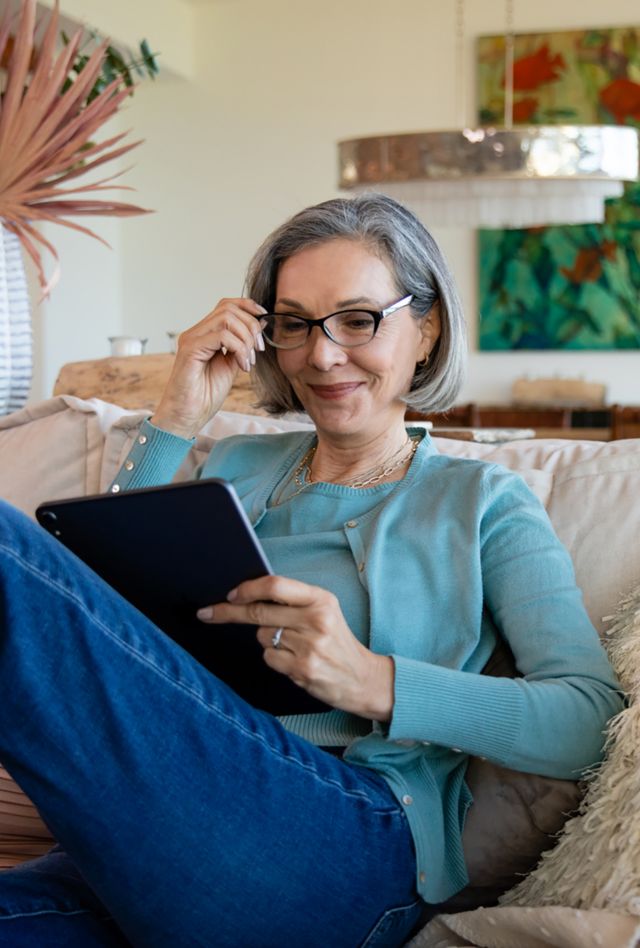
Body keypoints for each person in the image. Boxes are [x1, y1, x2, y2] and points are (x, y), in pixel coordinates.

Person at [0, 194, 623, 948]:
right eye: (294, 324)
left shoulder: (482, 499)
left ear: (425, 330)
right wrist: (175, 417)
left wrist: (374, 682)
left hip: (347, 837)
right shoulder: (234, 465)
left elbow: (589, 720)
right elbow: (88, 627)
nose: (323, 355)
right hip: (159, 831)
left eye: (358, 319)